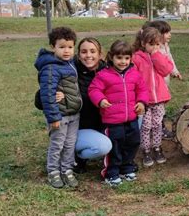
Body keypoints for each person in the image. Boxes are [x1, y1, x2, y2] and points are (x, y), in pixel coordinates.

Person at [88, 40, 148, 187]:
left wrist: (141, 102)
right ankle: (111, 172)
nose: (123, 61)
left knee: (133, 142)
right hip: (112, 120)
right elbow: (93, 90)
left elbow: (142, 90)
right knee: (115, 145)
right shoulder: (103, 75)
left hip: (131, 118)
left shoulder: (134, 74)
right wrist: (100, 100)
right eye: (119, 58)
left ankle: (126, 167)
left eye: (126, 58)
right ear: (111, 57)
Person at [34, 27, 82, 188]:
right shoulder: (51, 67)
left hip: (74, 114)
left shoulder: (70, 63)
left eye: (70, 47)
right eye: (62, 47)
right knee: (57, 144)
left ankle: (67, 169)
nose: (66, 51)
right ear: (53, 47)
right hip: (60, 115)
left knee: (70, 144)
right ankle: (53, 171)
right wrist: (53, 117)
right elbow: (47, 94)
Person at [132, 27, 174, 167]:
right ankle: (146, 149)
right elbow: (134, 79)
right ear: (143, 43)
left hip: (159, 98)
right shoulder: (137, 58)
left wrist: (156, 56)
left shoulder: (160, 56)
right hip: (145, 100)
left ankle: (157, 147)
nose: (155, 47)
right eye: (152, 44)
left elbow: (166, 70)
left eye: (158, 44)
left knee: (157, 124)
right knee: (146, 126)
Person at [70, 38, 112, 173]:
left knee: (136, 118)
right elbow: (40, 100)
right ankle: (75, 157)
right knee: (103, 146)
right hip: (77, 128)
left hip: (102, 125)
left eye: (93, 51)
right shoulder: (70, 72)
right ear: (78, 54)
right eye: (84, 52)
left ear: (100, 54)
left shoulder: (109, 72)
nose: (88, 55)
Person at [136, 20, 181, 139]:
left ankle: (160, 128)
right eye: (166, 32)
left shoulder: (164, 47)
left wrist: (174, 71)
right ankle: (150, 131)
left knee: (159, 110)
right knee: (149, 114)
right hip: (149, 87)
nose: (169, 35)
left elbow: (169, 61)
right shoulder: (148, 53)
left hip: (161, 85)